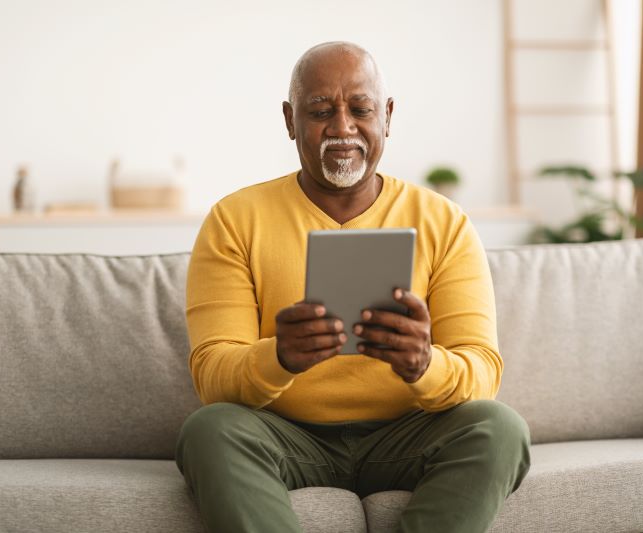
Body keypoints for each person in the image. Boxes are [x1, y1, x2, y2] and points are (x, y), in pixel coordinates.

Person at [177, 41, 531, 533]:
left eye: (360, 109)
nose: (342, 127)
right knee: (209, 431)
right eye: (320, 111)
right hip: (285, 434)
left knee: (500, 429)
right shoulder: (234, 220)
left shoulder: (444, 222)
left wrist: (425, 363)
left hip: (408, 434)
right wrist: (278, 357)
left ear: (387, 115)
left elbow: (482, 371)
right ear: (289, 120)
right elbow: (212, 374)